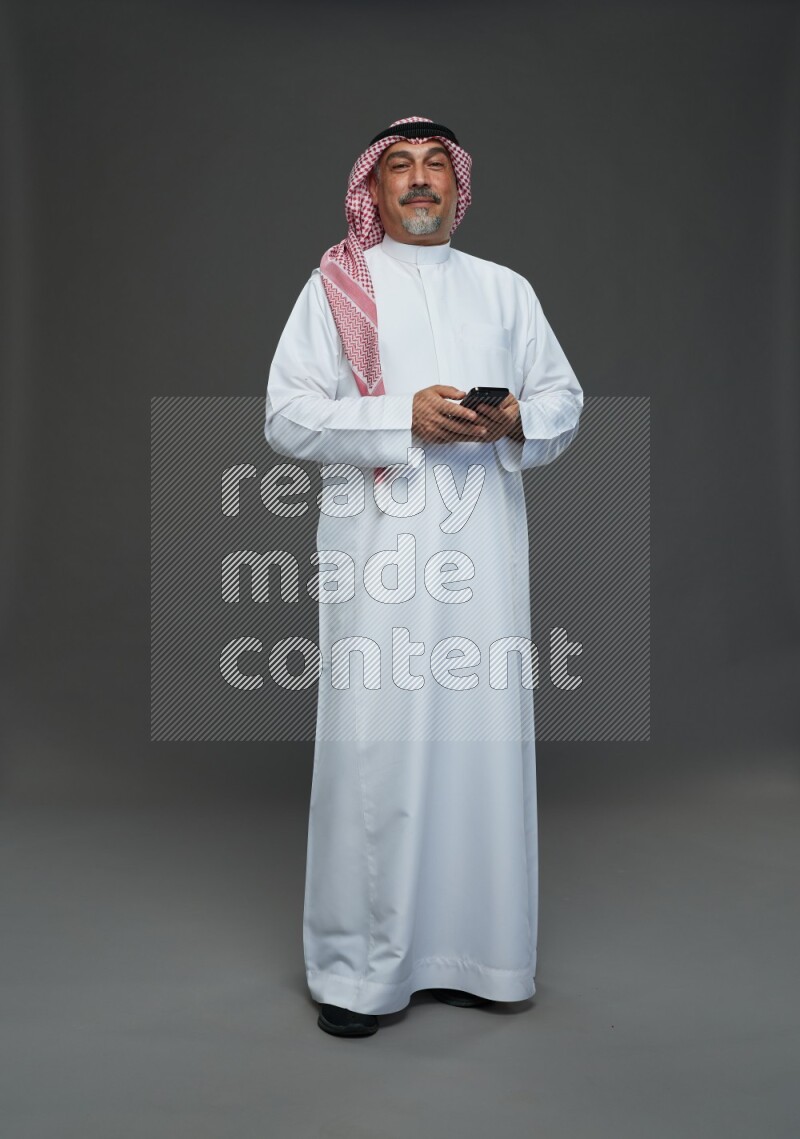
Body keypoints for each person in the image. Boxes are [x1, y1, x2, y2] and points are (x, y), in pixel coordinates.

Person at [264, 116, 583, 1037]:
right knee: (381, 751)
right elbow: (287, 418)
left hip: (480, 555)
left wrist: (516, 416)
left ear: (457, 187)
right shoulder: (335, 289)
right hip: (376, 558)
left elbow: (564, 398)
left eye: (433, 166)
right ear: (371, 190)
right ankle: (360, 972)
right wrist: (402, 419)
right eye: (397, 167)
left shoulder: (505, 289)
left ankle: (480, 957)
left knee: (480, 743)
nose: (416, 181)